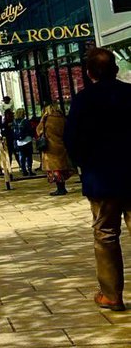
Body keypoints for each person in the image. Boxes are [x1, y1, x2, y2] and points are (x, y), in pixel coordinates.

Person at [65, 47, 131, 311]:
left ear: (89, 73)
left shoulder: (83, 100)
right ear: (115, 69)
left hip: (101, 178)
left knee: (105, 234)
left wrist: (85, 163)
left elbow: (71, 139)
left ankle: (111, 294)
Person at [39, 102, 74, 197]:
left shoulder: (47, 119)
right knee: (61, 168)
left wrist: (42, 119)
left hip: (51, 147)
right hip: (61, 145)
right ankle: (62, 187)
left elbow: (39, 130)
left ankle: (60, 189)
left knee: (55, 169)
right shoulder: (62, 118)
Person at [12, 107, 35, 177]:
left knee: (22, 156)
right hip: (27, 140)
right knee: (29, 156)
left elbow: (13, 132)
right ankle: (30, 170)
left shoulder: (14, 122)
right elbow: (30, 130)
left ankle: (24, 170)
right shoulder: (26, 121)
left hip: (19, 142)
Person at [0, 96, 16, 164]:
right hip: (6, 137)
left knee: (16, 153)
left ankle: (22, 167)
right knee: (9, 153)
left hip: (13, 137)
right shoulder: (2, 117)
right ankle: (9, 166)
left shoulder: (13, 117)